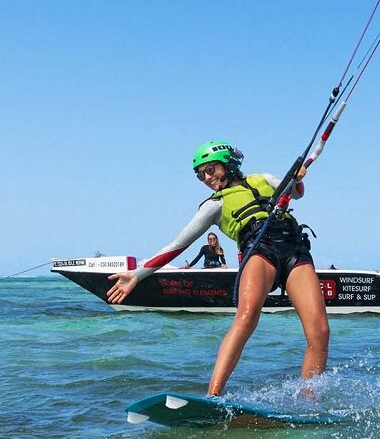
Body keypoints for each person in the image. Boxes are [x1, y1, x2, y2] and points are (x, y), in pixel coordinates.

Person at [107, 141, 329, 397]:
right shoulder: (214, 205)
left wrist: (298, 176)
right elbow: (177, 245)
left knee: (320, 330)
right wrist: (137, 274)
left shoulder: (264, 179)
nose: (206, 178)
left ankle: (308, 401)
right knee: (246, 318)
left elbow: (297, 192)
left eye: (210, 170)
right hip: (261, 251)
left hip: (295, 250)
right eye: (201, 175)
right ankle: (213, 396)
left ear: (229, 164)